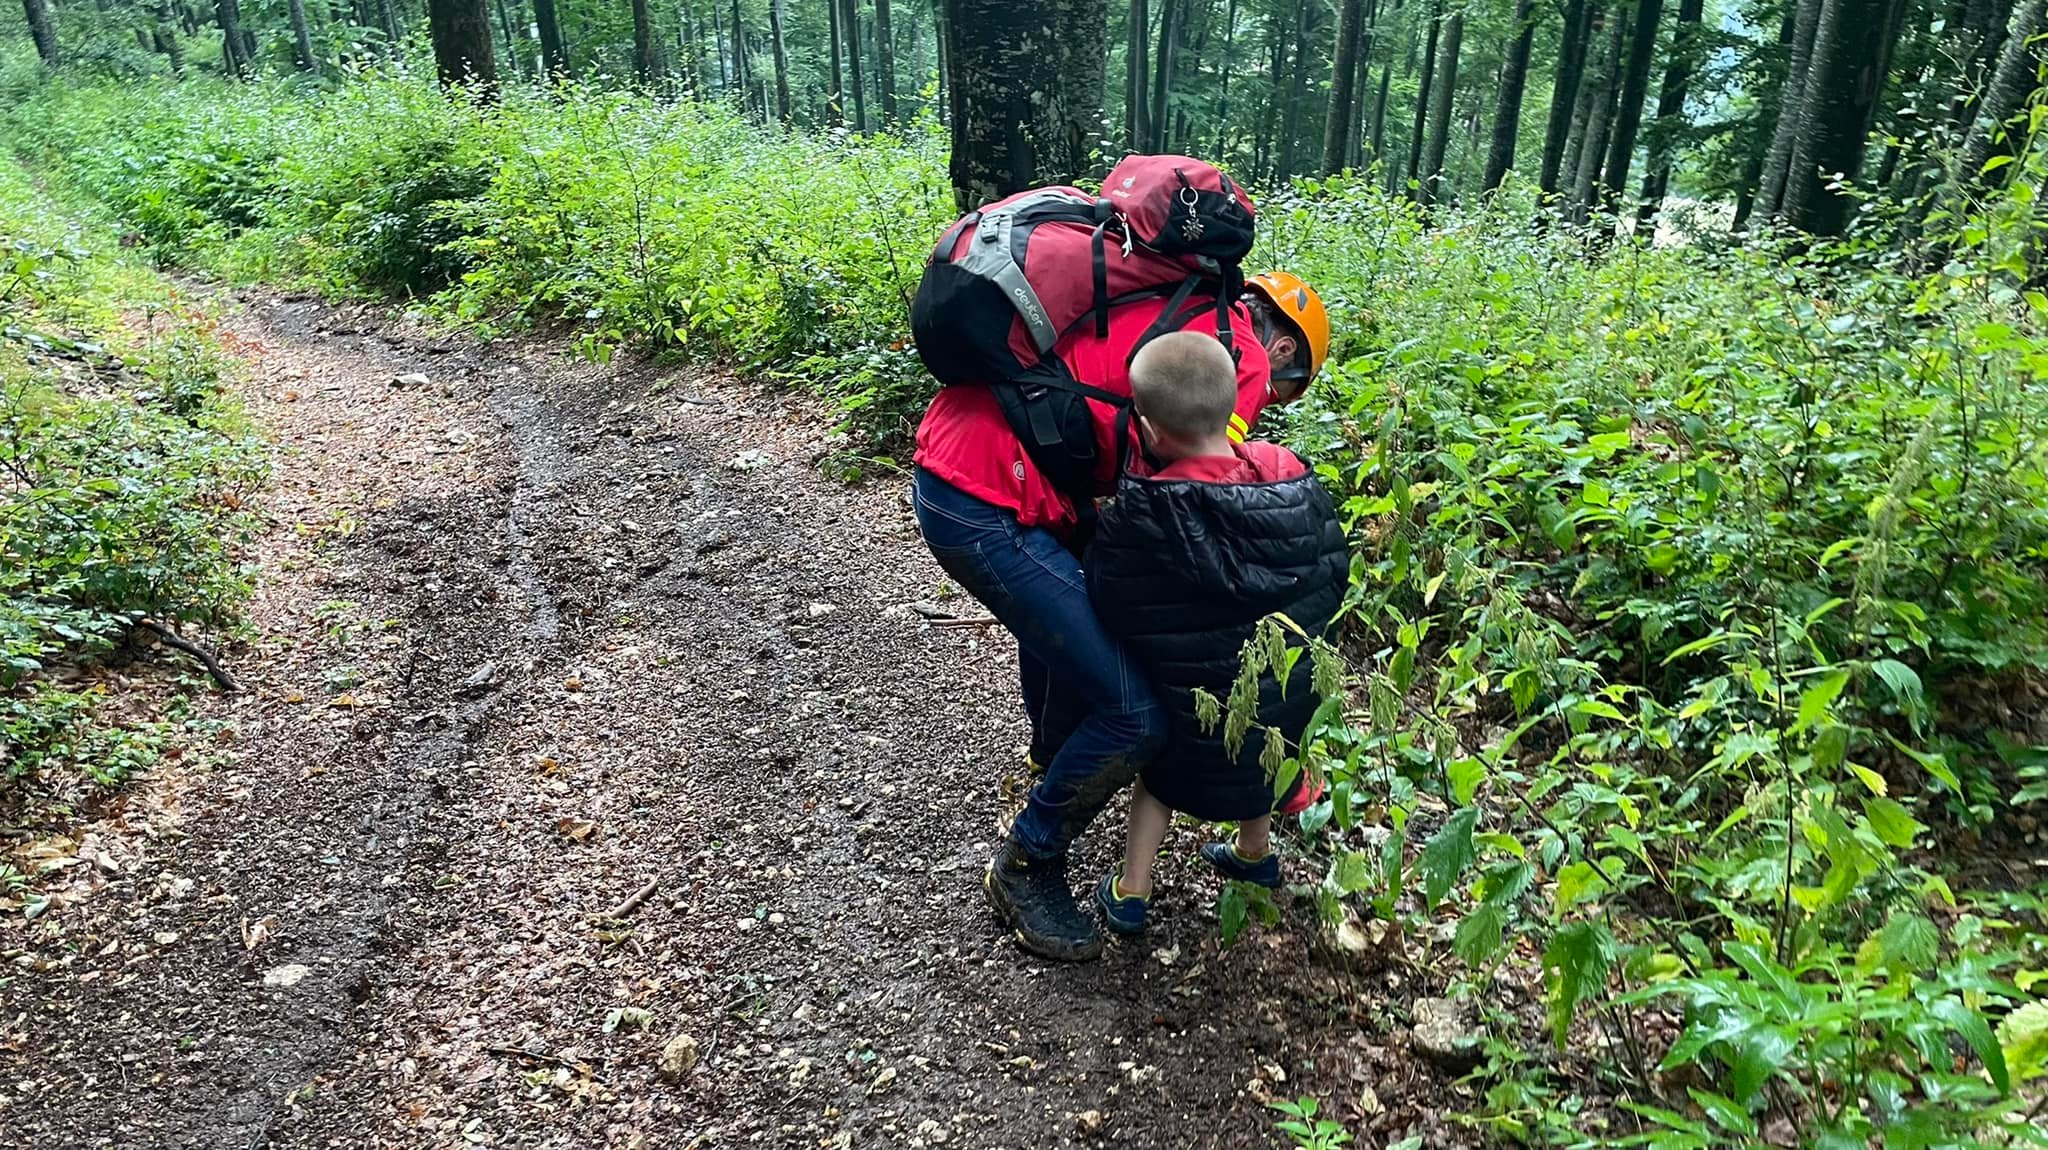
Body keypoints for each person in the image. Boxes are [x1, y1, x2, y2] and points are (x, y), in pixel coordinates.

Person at [911, 271, 1330, 962]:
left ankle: (1053, 756)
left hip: (970, 452)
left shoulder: (1172, 302)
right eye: (1284, 395)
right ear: (1284, 351)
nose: (1264, 409)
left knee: (1068, 627)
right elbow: (1194, 507)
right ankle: (1027, 862)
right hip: (984, 496)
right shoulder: (1238, 358)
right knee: (1136, 712)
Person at [1081, 331, 1349, 935]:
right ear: (1233, 406)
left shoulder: (1143, 512)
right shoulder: (1289, 479)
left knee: (1158, 779)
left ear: (1148, 430)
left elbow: (1110, 600)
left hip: (1193, 723)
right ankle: (1254, 853)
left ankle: (1131, 890)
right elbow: (1334, 568)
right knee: (1264, 743)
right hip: (1286, 705)